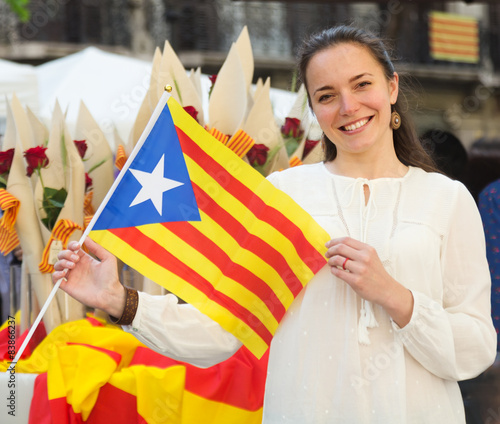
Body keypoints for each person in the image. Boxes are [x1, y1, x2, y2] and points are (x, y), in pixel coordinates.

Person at [53, 25, 496, 423]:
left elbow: (475, 347)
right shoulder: (285, 194)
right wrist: (118, 299)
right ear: (314, 109)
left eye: (362, 85)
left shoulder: (447, 199)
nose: (348, 106)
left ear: (392, 86)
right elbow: (225, 329)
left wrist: (395, 296)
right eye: (326, 95)